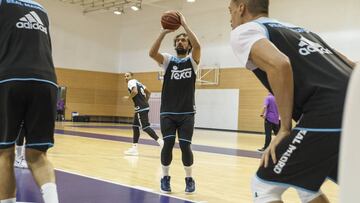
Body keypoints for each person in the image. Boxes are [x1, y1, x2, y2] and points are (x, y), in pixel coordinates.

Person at [228, 0, 356, 202]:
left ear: (241, 7)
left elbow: (280, 64)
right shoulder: (302, 31)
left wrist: (285, 128)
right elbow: (351, 65)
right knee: (304, 184)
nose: (231, 18)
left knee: (264, 187)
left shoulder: (244, 31)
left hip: (329, 110)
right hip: (352, 103)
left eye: (230, 11)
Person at [0, 1, 60, 203]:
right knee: (37, 155)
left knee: (4, 153)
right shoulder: (41, 9)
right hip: (46, 81)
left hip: (10, 78)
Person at [149, 11, 201, 194]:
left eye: (184, 40)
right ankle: (165, 177)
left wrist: (185, 25)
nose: (180, 42)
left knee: (186, 146)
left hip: (187, 112)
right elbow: (151, 53)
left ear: (188, 45)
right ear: (174, 44)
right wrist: (164, 31)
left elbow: (198, 45)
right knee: (168, 145)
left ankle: (189, 178)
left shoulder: (192, 62)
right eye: (178, 40)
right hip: (168, 112)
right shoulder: (168, 61)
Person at [123, 72, 164, 156]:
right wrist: (145, 102)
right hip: (143, 106)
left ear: (132, 76)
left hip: (140, 108)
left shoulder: (131, 82)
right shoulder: (139, 83)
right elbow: (148, 92)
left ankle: (161, 142)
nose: (126, 78)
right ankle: (134, 148)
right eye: (125, 76)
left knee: (145, 127)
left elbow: (134, 91)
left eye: (128, 76)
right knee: (135, 126)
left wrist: (128, 98)